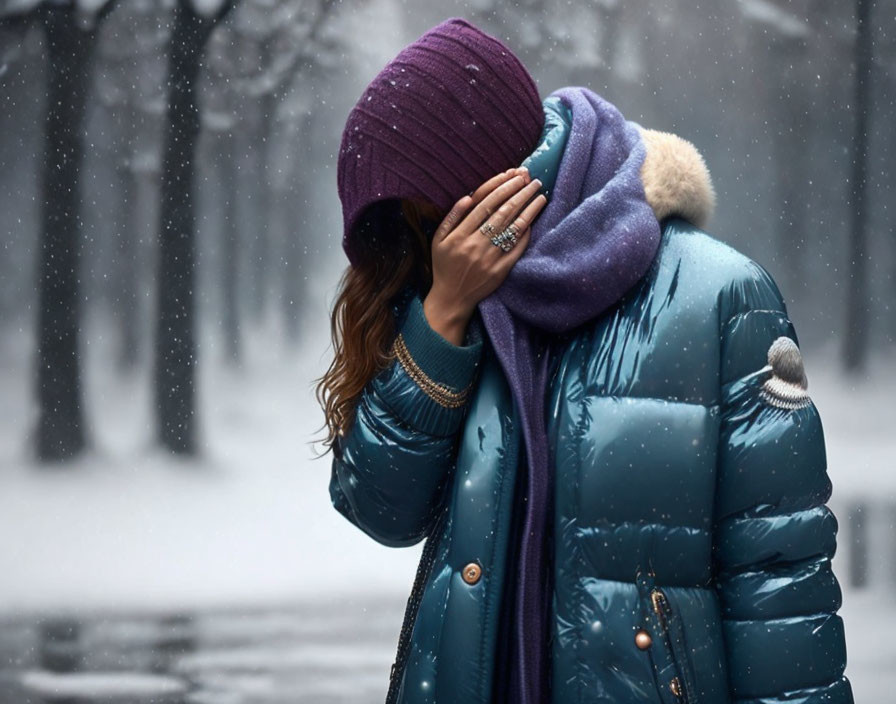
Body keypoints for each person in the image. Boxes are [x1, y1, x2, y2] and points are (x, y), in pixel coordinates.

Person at [315, 16, 854, 704]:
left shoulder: (721, 298)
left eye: (423, 212)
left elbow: (779, 577)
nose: (422, 240)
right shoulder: (448, 291)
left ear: (479, 172)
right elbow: (379, 507)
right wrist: (442, 317)